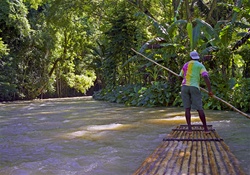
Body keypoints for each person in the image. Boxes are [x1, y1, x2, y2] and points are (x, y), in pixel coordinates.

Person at [179, 50, 213, 134]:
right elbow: (205, 77)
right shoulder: (200, 65)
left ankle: (189, 129)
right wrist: (210, 91)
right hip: (194, 87)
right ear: (197, 57)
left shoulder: (185, 65)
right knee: (199, 108)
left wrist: (184, 80)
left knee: (187, 108)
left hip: (184, 87)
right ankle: (205, 129)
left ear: (190, 57)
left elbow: (180, 77)